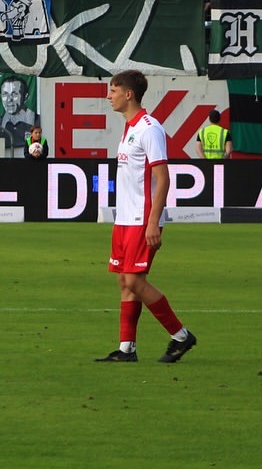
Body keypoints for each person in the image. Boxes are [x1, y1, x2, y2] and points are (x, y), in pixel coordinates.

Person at [97, 69, 196, 364]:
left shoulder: (150, 129)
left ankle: (181, 335)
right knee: (125, 283)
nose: (108, 96)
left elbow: (163, 178)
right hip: (125, 219)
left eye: (113, 91)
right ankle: (127, 349)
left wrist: (154, 221)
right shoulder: (130, 128)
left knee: (135, 280)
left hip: (143, 219)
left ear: (128, 94)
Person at [0, 76, 36, 153]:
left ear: (26, 97)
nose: (9, 99)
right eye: (5, 94)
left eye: (14, 94)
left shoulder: (36, 120)